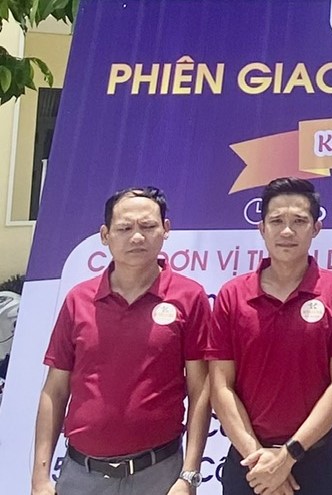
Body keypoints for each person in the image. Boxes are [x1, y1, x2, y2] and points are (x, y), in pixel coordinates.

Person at [31, 187, 211, 495]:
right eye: (125, 228)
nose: (137, 237)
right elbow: (55, 389)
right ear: (105, 235)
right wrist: (40, 476)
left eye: (148, 226)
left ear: (166, 229)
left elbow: (201, 390)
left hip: (159, 474)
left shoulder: (190, 297)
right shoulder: (78, 300)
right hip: (81, 475)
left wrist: (189, 475)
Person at [208, 177, 332, 495]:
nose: (287, 231)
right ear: (262, 228)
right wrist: (259, 459)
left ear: (316, 228)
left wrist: (288, 456)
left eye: (299, 221)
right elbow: (220, 385)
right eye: (277, 221)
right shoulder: (232, 295)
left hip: (316, 460)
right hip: (249, 461)